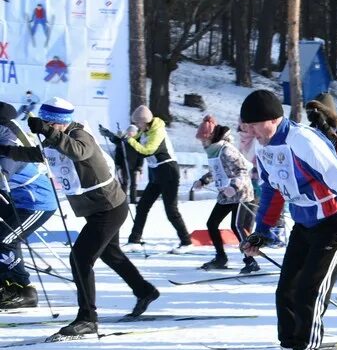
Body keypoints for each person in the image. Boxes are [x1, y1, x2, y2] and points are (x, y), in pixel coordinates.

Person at [237, 89, 337, 350]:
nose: (252, 132)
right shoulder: (267, 146)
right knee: (286, 291)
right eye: (248, 126)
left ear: (274, 119)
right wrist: (263, 231)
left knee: (310, 293)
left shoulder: (303, 142)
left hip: (334, 223)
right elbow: (272, 189)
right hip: (304, 224)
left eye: (256, 125)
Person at [0, 98, 159, 337]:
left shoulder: (80, 135)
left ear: (59, 122)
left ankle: (88, 318)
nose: (44, 125)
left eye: (48, 122)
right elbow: (37, 154)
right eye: (42, 121)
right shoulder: (55, 138)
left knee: (80, 258)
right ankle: (144, 290)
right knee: (111, 254)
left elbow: (78, 151)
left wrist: (45, 131)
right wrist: (5, 150)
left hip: (109, 207)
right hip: (97, 208)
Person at [0, 102, 57, 308]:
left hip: (36, 203)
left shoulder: (10, 138)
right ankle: (8, 286)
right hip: (17, 199)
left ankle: (26, 290)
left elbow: (4, 173)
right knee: (5, 239)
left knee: (4, 240)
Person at [191, 116, 259, 273]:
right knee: (212, 223)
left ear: (211, 137)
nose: (202, 143)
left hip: (241, 193)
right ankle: (221, 258)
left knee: (237, 226)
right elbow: (216, 170)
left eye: (203, 140)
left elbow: (242, 171)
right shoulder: (213, 151)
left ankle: (251, 261)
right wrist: (203, 180)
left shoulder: (227, 150)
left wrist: (234, 187)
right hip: (226, 195)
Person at [125, 105, 192, 251]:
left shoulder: (157, 131)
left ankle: (186, 242)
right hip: (156, 173)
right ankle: (134, 241)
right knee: (142, 206)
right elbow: (132, 143)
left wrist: (129, 140)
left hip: (168, 172)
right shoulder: (144, 131)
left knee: (171, 210)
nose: (136, 126)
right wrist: (117, 138)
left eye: (137, 123)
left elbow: (148, 150)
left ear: (144, 121)